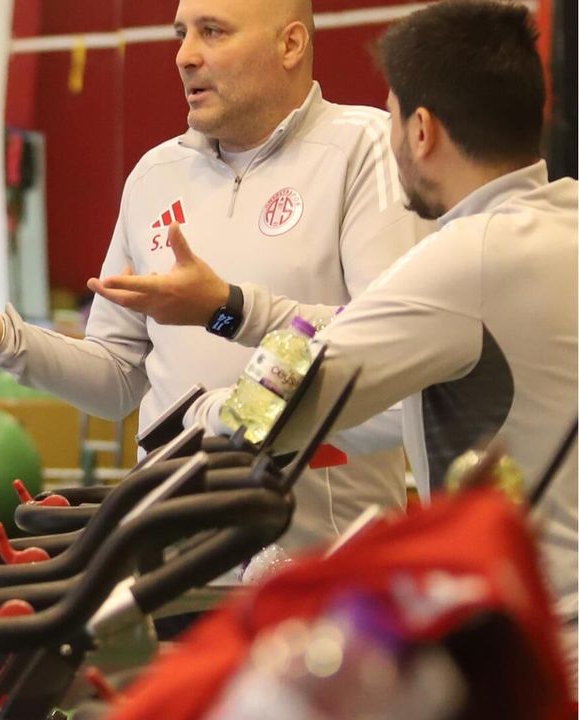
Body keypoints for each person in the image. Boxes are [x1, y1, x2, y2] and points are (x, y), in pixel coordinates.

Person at [0, 0, 429, 552]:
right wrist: (1, 337)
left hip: (322, 563)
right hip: (169, 552)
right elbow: (116, 378)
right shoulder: (155, 175)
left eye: (213, 32)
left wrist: (227, 308)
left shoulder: (366, 146)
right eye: (182, 33)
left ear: (290, 45)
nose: (185, 56)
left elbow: (390, 348)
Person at [182, 0, 578, 679]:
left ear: (421, 131)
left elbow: (288, 393)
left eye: (392, 117)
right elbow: (437, 405)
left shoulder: (468, 256)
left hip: (543, 649)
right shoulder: (560, 224)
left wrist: (201, 415)